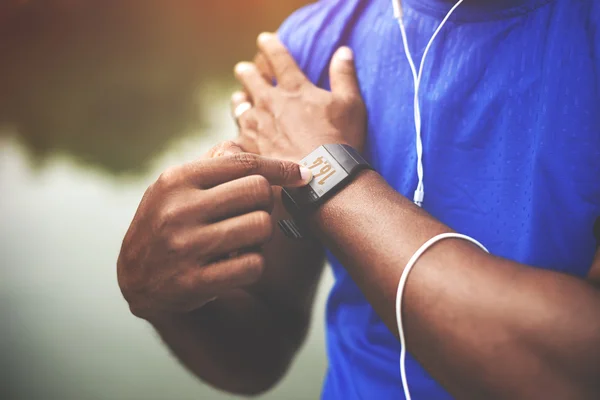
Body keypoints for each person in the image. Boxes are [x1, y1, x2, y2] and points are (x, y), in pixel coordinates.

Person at [117, 0, 600, 398]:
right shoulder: (315, 47)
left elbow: (576, 374)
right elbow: (260, 354)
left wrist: (331, 179)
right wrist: (168, 299)